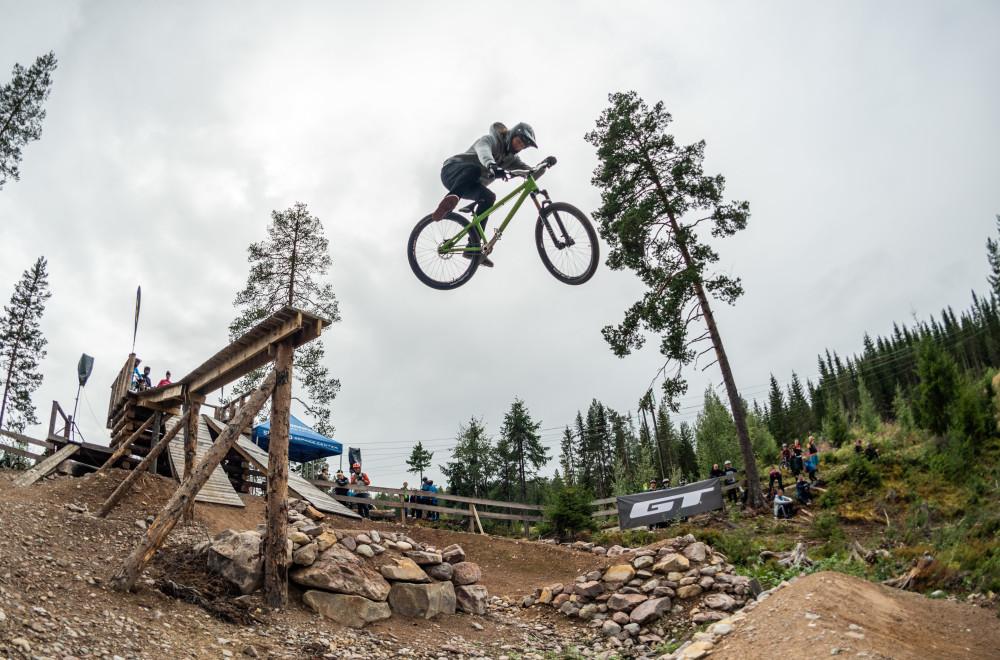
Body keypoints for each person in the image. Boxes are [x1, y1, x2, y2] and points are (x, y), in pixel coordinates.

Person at [430, 122, 551, 267]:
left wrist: (544, 166)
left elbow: (530, 173)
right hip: (452, 171)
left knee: (489, 197)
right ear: (511, 135)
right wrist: (491, 165)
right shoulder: (490, 140)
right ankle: (449, 200)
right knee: (474, 170)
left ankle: (472, 248)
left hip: (469, 184)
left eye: (522, 146)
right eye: (518, 142)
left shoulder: (510, 159)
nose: (518, 147)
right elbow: (483, 151)